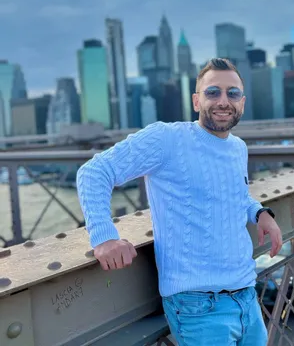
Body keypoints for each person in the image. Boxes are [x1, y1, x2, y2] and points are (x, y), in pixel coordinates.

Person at [76, 58, 283, 345]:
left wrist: (259, 212)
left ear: (242, 103)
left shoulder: (238, 147)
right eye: (213, 92)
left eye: (232, 93)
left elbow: (235, 194)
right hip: (199, 307)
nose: (224, 101)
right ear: (197, 101)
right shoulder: (167, 139)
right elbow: (94, 172)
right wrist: (104, 236)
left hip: (246, 296)